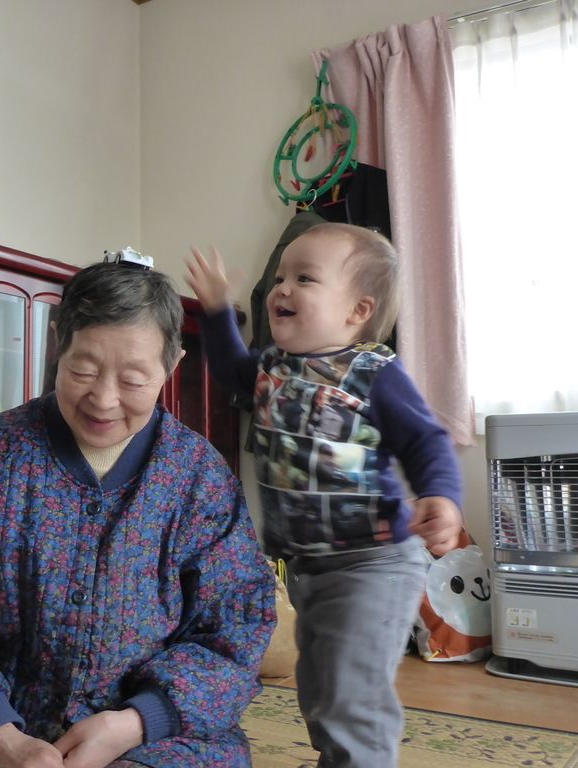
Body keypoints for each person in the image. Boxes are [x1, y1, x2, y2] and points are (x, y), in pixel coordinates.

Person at [0, 261, 276, 768]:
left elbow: (235, 629)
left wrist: (137, 721)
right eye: (82, 371)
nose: (103, 400)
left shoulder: (199, 476)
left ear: (172, 364)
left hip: (151, 735)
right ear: (57, 344)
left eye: (133, 379)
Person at [185, 222, 463, 768]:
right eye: (280, 278)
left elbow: (425, 439)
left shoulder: (373, 373)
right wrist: (217, 312)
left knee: (350, 695)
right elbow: (229, 370)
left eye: (304, 278)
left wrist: (442, 495)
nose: (282, 288)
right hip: (309, 565)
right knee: (317, 687)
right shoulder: (269, 367)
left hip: (374, 562)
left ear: (357, 311)